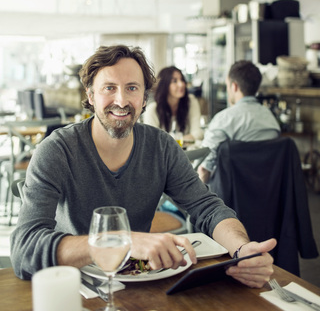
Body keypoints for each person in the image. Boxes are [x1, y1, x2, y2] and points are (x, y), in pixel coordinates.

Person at [10, 45, 276, 287]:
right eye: (109, 88)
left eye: (132, 88)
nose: (122, 100)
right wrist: (117, 242)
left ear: (145, 99)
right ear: (90, 95)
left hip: (138, 282)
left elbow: (207, 207)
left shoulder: (161, 147)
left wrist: (241, 249)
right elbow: (24, 251)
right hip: (72, 286)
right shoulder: (57, 150)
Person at [198, 60, 281, 185]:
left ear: (234, 86)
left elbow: (203, 169)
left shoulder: (223, 119)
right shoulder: (272, 121)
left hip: (227, 200)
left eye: (227, 86)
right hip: (268, 198)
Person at [143, 66, 203, 143]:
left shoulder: (191, 101)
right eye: (174, 81)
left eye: (182, 80)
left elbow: (198, 133)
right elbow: (152, 141)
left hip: (187, 153)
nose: (181, 84)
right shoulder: (153, 109)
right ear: (164, 85)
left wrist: (177, 141)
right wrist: (178, 142)